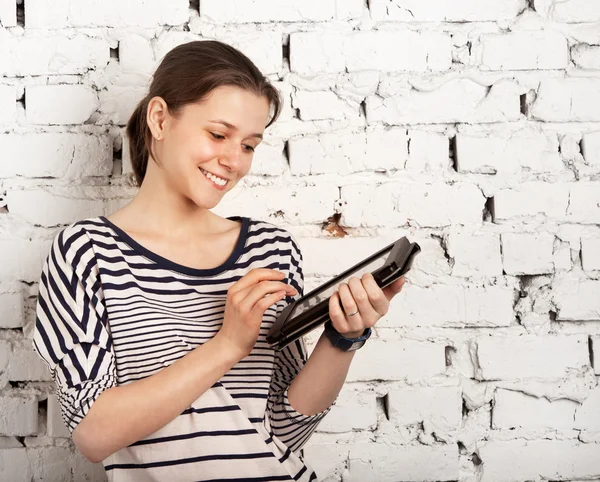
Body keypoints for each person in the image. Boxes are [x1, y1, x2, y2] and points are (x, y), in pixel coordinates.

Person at [32, 40, 406, 481]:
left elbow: (285, 429)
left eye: (249, 145)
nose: (233, 161)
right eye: (218, 134)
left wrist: (343, 337)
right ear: (159, 119)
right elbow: (94, 434)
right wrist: (227, 345)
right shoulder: (88, 252)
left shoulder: (271, 250)